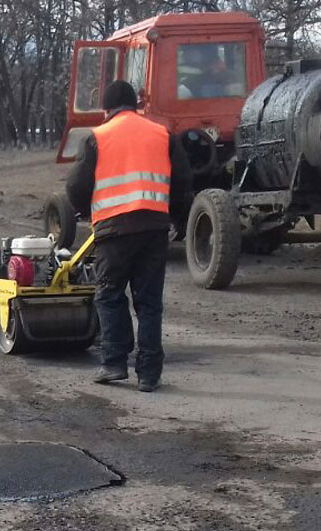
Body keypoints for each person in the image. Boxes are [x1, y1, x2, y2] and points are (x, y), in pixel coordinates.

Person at [65, 80, 193, 391]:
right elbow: (183, 181)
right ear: (136, 105)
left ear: (107, 109)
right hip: (153, 228)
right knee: (149, 302)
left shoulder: (98, 138)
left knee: (109, 295)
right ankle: (149, 374)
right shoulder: (162, 134)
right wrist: (175, 216)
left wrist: (85, 210)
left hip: (113, 230)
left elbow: (76, 187)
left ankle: (114, 363)